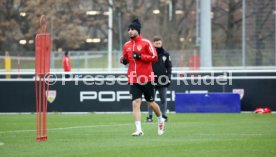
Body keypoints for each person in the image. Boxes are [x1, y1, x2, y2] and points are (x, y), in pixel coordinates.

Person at [120, 18, 165, 136]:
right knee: (136, 102)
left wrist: (140, 56)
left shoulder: (146, 43)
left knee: (150, 102)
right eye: (129, 29)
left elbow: (154, 57)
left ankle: (160, 119)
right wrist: (123, 60)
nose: (130, 31)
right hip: (133, 78)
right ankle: (138, 129)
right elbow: (124, 59)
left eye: (132, 29)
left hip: (146, 78)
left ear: (138, 31)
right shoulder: (126, 45)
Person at [145, 36, 172, 122]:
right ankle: (150, 117)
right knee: (150, 99)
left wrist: (168, 77)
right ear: (153, 44)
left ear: (161, 43)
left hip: (162, 80)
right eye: (156, 44)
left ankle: (164, 115)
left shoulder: (166, 54)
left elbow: (169, 67)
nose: (158, 45)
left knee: (163, 99)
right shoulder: (149, 53)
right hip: (151, 80)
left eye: (159, 43)